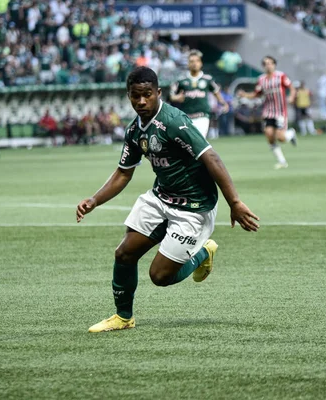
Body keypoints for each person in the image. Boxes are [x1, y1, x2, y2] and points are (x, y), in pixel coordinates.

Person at [76, 67, 259, 332]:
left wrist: (235, 202)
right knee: (124, 253)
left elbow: (212, 158)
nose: (141, 101)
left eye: (147, 95)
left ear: (158, 93)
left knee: (160, 276)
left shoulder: (174, 121)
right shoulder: (134, 131)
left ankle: (203, 251)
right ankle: (123, 317)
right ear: (128, 96)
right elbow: (123, 173)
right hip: (161, 198)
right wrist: (94, 200)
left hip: (194, 207)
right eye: (135, 96)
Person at [237, 56, 296, 169]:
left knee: (281, 137)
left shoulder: (281, 76)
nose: (268, 65)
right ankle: (282, 161)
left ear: (274, 65)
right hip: (268, 111)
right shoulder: (261, 79)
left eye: (270, 63)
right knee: (269, 135)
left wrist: (291, 97)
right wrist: (244, 94)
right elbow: (256, 94)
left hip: (280, 112)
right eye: (266, 63)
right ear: (263, 66)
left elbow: (291, 88)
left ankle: (291, 133)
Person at [169, 50, 229, 139]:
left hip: (202, 116)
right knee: (188, 145)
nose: (194, 64)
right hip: (186, 117)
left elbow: (216, 92)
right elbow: (171, 95)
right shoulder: (181, 80)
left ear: (201, 63)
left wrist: (223, 103)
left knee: (198, 141)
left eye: (197, 61)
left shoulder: (207, 79)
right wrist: (176, 98)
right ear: (188, 64)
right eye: (192, 61)